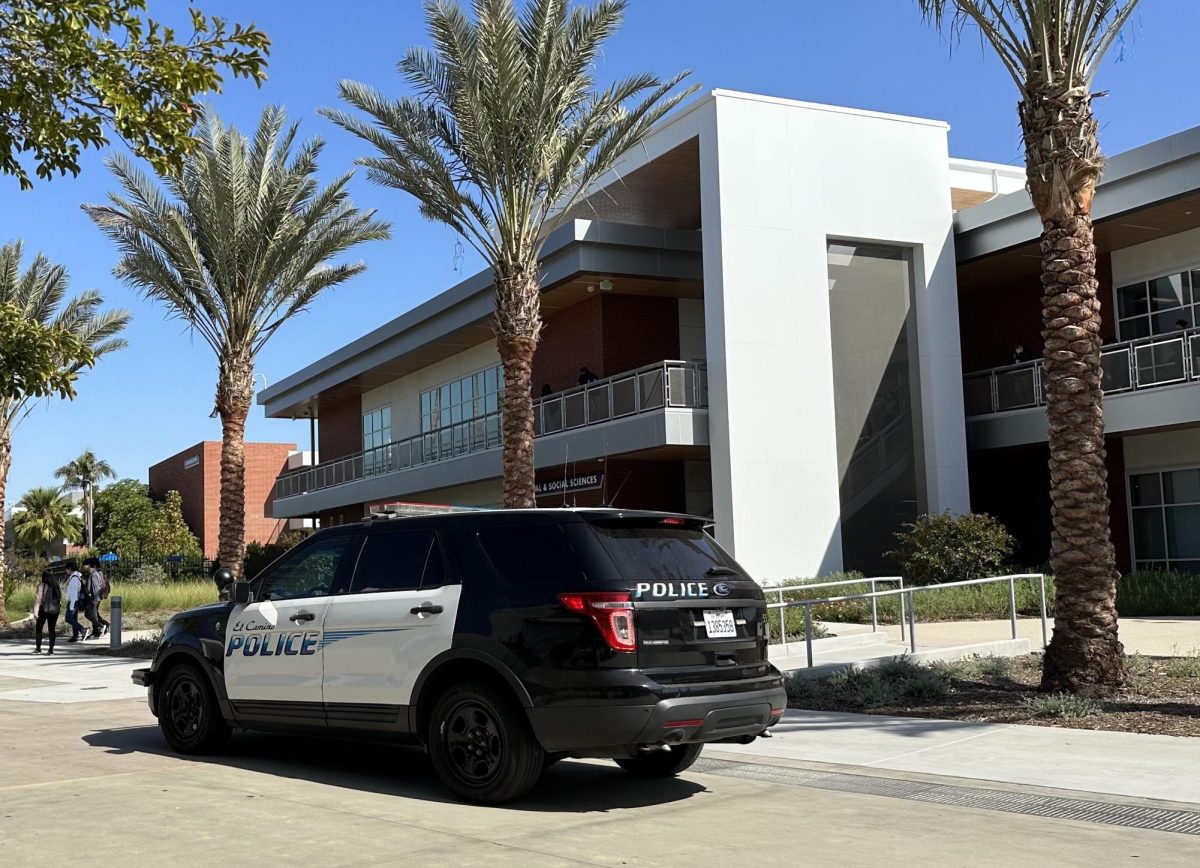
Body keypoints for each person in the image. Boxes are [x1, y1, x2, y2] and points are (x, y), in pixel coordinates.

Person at [32, 570, 62, 655]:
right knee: (52, 629)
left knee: (39, 629)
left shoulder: (42, 585)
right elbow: (60, 599)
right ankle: (51, 650)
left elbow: (38, 599)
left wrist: (35, 612)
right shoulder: (56, 585)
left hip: (43, 609)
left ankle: (38, 649)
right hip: (54, 610)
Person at [82, 557, 109, 639]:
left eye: (85, 565)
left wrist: (94, 599)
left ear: (90, 565)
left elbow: (96, 589)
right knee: (94, 615)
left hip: (94, 599)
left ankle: (101, 627)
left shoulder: (94, 574)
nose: (83, 566)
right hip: (95, 598)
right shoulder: (93, 574)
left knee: (89, 614)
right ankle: (97, 631)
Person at [63, 561, 86, 642]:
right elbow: (70, 590)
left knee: (68, 618)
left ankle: (83, 630)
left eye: (66, 569)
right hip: (75, 601)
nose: (66, 571)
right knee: (73, 619)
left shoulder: (74, 578)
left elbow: (74, 592)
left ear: (69, 568)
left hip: (73, 601)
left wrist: (72, 604)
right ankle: (75, 636)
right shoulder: (75, 576)